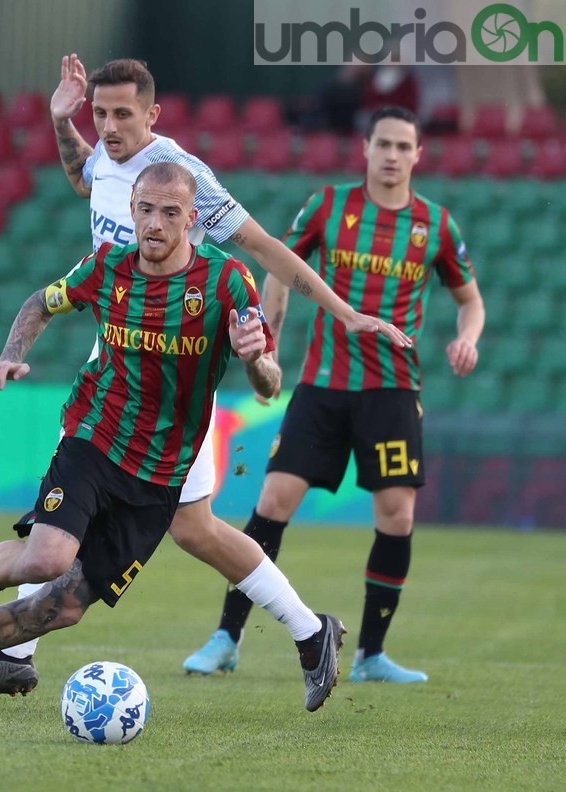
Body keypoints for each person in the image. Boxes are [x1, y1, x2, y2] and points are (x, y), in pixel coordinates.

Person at [0, 55, 410, 702]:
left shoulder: (185, 181)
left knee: (178, 527)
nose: (107, 126)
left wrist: (344, 312)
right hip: (117, 372)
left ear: (152, 114)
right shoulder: (105, 156)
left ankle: (308, 629)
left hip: (168, 393)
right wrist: (59, 120)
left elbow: (266, 246)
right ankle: (20, 653)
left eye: (122, 114)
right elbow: (84, 180)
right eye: (98, 113)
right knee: (168, 524)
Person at [0, 163, 345, 719]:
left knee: (64, 608)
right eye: (146, 209)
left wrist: (255, 358)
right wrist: (11, 354)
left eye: (170, 213)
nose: (155, 223)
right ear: (132, 211)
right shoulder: (106, 265)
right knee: (46, 558)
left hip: (161, 475)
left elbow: (269, 385)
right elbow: (41, 302)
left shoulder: (226, 283)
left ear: (192, 220)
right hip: (94, 439)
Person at [184, 106, 484, 684]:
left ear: (418, 154)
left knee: (397, 515)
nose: (393, 155)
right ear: (365, 147)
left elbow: (470, 299)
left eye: (404, 146)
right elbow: (279, 267)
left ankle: (372, 655)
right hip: (323, 385)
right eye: (384, 144)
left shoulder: (436, 226)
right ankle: (226, 637)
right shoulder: (328, 205)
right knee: (272, 505)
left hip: (393, 389)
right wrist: (267, 347)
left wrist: (466, 338)